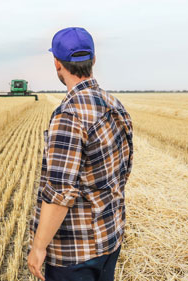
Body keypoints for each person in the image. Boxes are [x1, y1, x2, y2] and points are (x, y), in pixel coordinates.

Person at [27, 27, 134, 281]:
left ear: (57, 64)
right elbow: (124, 169)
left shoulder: (69, 116)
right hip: (110, 238)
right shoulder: (114, 104)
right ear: (93, 60)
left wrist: (39, 246)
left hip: (75, 254)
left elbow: (60, 193)